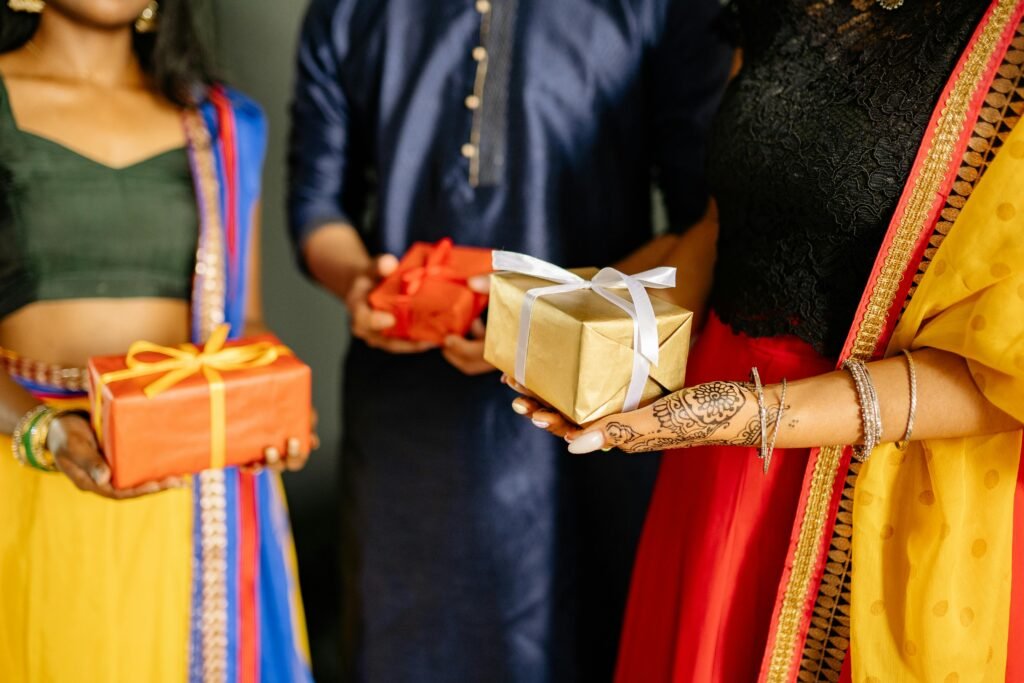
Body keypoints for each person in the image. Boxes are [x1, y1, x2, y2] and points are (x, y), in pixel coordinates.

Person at [509, 0, 1024, 679]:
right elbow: (728, 225)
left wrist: (749, 414)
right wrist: (610, 340)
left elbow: (1002, 371)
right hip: (713, 462)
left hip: (880, 480)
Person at [287, 0, 731, 680]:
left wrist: (547, 321)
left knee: (581, 641)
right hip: (409, 429)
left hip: (587, 413)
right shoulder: (349, 12)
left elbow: (704, 217)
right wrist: (359, 281)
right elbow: (317, 202)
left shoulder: (655, 9)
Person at [0, 1, 313, 680]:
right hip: (30, 478)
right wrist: (44, 429)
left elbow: (244, 322)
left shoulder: (224, 125)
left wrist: (274, 406)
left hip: (197, 490)